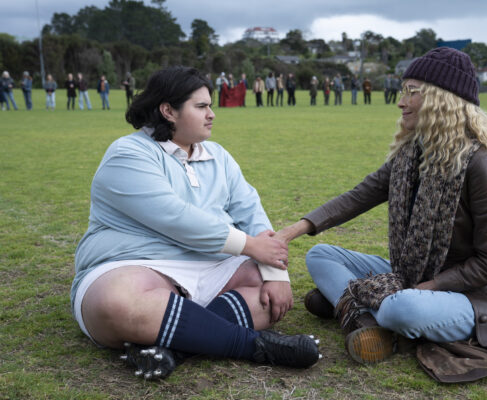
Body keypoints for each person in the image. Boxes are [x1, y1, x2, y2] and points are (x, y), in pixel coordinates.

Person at [275, 47, 487, 383]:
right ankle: (366, 321)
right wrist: (290, 232)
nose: (401, 101)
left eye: (413, 92)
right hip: (410, 275)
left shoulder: (482, 166)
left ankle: (355, 307)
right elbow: (358, 196)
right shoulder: (411, 155)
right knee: (320, 256)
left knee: (402, 308)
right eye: (404, 91)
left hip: (473, 296)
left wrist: (430, 288)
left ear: (443, 100)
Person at [71, 66, 320, 381]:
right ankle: (254, 346)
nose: (212, 114)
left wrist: (275, 274)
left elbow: (250, 210)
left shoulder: (218, 155)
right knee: (116, 302)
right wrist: (250, 246)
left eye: (210, 106)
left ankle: (173, 348)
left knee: (270, 294)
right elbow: (174, 217)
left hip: (211, 265)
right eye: (201, 106)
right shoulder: (128, 154)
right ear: (168, 111)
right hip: (138, 265)